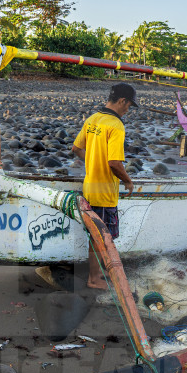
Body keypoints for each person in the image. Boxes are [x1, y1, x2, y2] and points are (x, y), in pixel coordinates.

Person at [72, 82, 137, 289]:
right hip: (104, 191)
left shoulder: (93, 119)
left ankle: (98, 274)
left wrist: (92, 162)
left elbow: (76, 148)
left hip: (90, 186)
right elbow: (114, 163)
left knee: (97, 234)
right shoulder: (115, 125)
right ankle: (94, 278)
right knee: (100, 237)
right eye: (129, 105)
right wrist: (127, 180)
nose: (128, 109)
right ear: (122, 101)